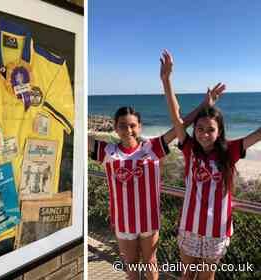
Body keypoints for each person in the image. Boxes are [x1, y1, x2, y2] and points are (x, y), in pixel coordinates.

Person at [89, 84, 224, 280]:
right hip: (123, 221)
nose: (128, 130)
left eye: (133, 125)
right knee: (131, 266)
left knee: (151, 262)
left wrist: (205, 105)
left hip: (149, 220)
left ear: (140, 126)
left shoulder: (152, 148)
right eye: (122, 126)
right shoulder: (107, 151)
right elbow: (78, 133)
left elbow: (181, 124)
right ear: (115, 127)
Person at [160, 49, 261, 280]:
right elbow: (177, 118)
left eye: (211, 130)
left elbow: (258, 134)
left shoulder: (230, 151)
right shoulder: (189, 149)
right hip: (189, 227)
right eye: (200, 129)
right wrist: (167, 80)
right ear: (194, 131)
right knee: (187, 276)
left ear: (220, 132)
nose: (205, 134)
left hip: (217, 231)